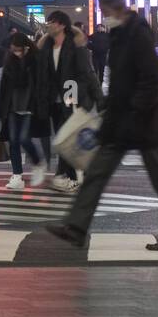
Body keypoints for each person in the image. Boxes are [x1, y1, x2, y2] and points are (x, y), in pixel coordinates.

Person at [47, 0, 158, 251]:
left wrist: (134, 106)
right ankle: (76, 228)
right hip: (121, 122)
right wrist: (110, 106)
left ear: (113, 7)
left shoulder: (137, 33)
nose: (102, 14)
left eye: (103, 9)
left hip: (144, 121)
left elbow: (152, 77)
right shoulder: (120, 33)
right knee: (97, 172)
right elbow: (122, 79)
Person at [35, 10, 102, 193]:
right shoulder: (47, 47)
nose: (49, 25)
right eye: (48, 22)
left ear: (62, 25)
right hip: (54, 102)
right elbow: (41, 73)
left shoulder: (74, 46)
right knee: (63, 138)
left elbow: (87, 73)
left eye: (52, 22)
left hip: (72, 99)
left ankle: (67, 176)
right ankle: (75, 175)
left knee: (67, 138)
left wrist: (98, 99)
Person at [0, 32, 47, 190]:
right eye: (13, 49)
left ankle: (38, 162)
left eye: (18, 50)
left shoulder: (35, 61)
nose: (15, 52)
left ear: (26, 48)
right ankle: (17, 176)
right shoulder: (10, 61)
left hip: (30, 106)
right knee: (13, 141)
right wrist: (0, 110)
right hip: (12, 106)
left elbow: (41, 84)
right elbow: (4, 86)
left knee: (24, 138)